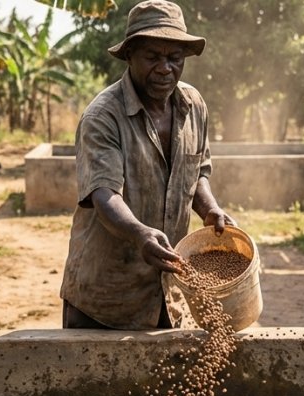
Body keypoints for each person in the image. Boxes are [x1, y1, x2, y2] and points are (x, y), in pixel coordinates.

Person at [61, 0, 235, 330]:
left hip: (166, 291)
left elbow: (197, 172)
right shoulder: (103, 116)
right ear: (130, 55)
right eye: (153, 57)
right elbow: (104, 194)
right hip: (107, 293)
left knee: (162, 378)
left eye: (174, 58)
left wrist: (210, 209)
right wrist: (139, 234)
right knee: (96, 382)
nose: (165, 68)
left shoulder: (193, 105)